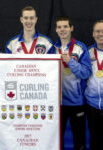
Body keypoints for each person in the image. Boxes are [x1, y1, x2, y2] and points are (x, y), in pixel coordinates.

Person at [54, 16, 92, 150]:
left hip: (77, 102)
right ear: (56, 30)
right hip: (57, 103)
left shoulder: (80, 47)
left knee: (79, 141)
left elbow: (86, 72)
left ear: (71, 28)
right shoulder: (53, 49)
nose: (62, 29)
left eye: (65, 26)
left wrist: (71, 62)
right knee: (56, 140)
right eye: (59, 27)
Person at [85, 20, 103, 150]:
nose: (100, 34)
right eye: (97, 31)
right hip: (92, 104)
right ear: (93, 34)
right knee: (94, 138)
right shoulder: (88, 53)